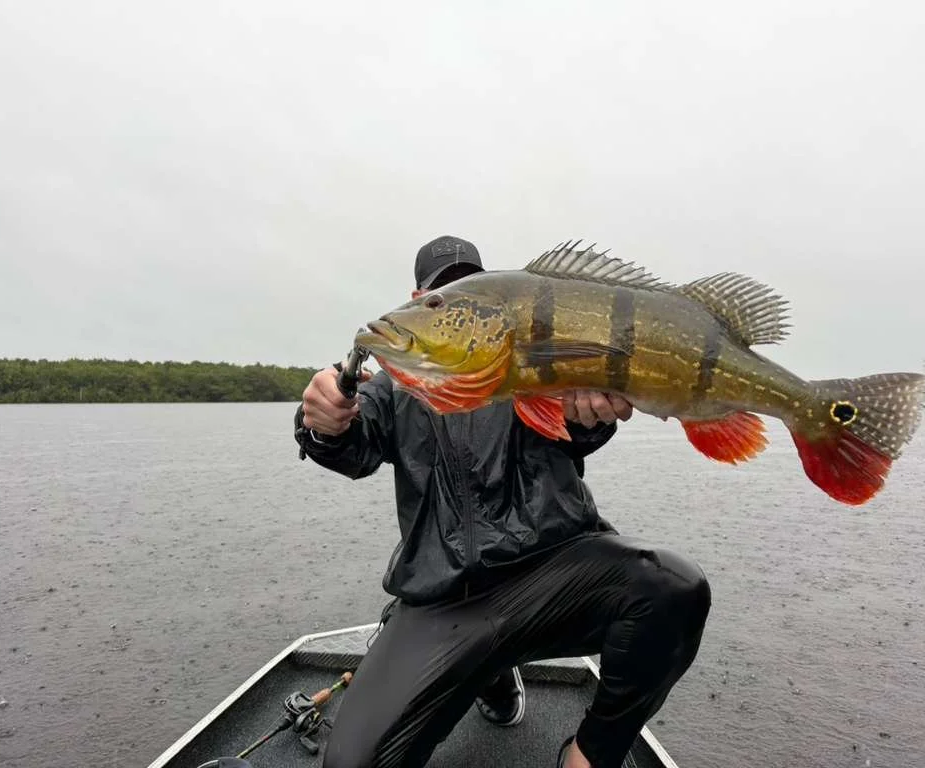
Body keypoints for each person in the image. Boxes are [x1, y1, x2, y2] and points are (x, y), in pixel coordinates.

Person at [294, 235, 711, 768]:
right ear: (416, 297)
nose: (458, 316)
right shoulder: (392, 388)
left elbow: (579, 432)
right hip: (443, 598)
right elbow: (350, 446)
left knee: (673, 587)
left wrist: (591, 413)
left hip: (554, 576)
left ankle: (588, 755)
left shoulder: (534, 363)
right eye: (439, 301)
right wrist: (322, 420)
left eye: (467, 296)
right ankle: (489, 675)